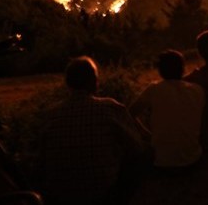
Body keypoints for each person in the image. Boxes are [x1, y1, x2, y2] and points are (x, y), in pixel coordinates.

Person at [39, 56, 147, 205]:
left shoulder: (49, 115)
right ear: (94, 82)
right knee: (144, 156)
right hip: (103, 194)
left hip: (62, 196)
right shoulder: (110, 108)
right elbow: (137, 147)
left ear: (68, 83)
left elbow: (42, 158)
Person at [130, 50, 204, 171]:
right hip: (192, 161)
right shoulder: (197, 90)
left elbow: (129, 114)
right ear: (183, 69)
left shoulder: (154, 89)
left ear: (160, 71)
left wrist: (146, 134)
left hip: (160, 164)